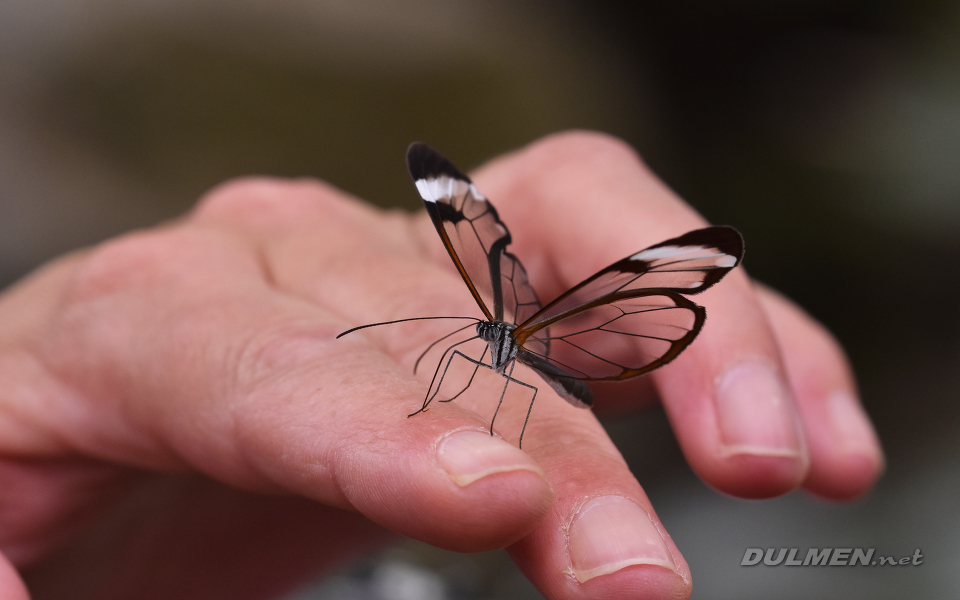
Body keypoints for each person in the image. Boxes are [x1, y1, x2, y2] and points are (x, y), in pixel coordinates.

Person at [0, 132, 883, 600]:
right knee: (475, 371)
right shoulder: (484, 325)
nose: (474, 337)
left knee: (503, 385)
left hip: (558, 360)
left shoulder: (522, 325)